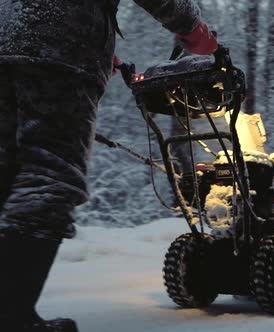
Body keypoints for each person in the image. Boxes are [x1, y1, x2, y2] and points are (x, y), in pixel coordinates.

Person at [0, 1, 218, 331]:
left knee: (7, 168)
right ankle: (11, 316)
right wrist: (193, 29)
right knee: (49, 172)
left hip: (7, 34)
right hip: (60, 38)